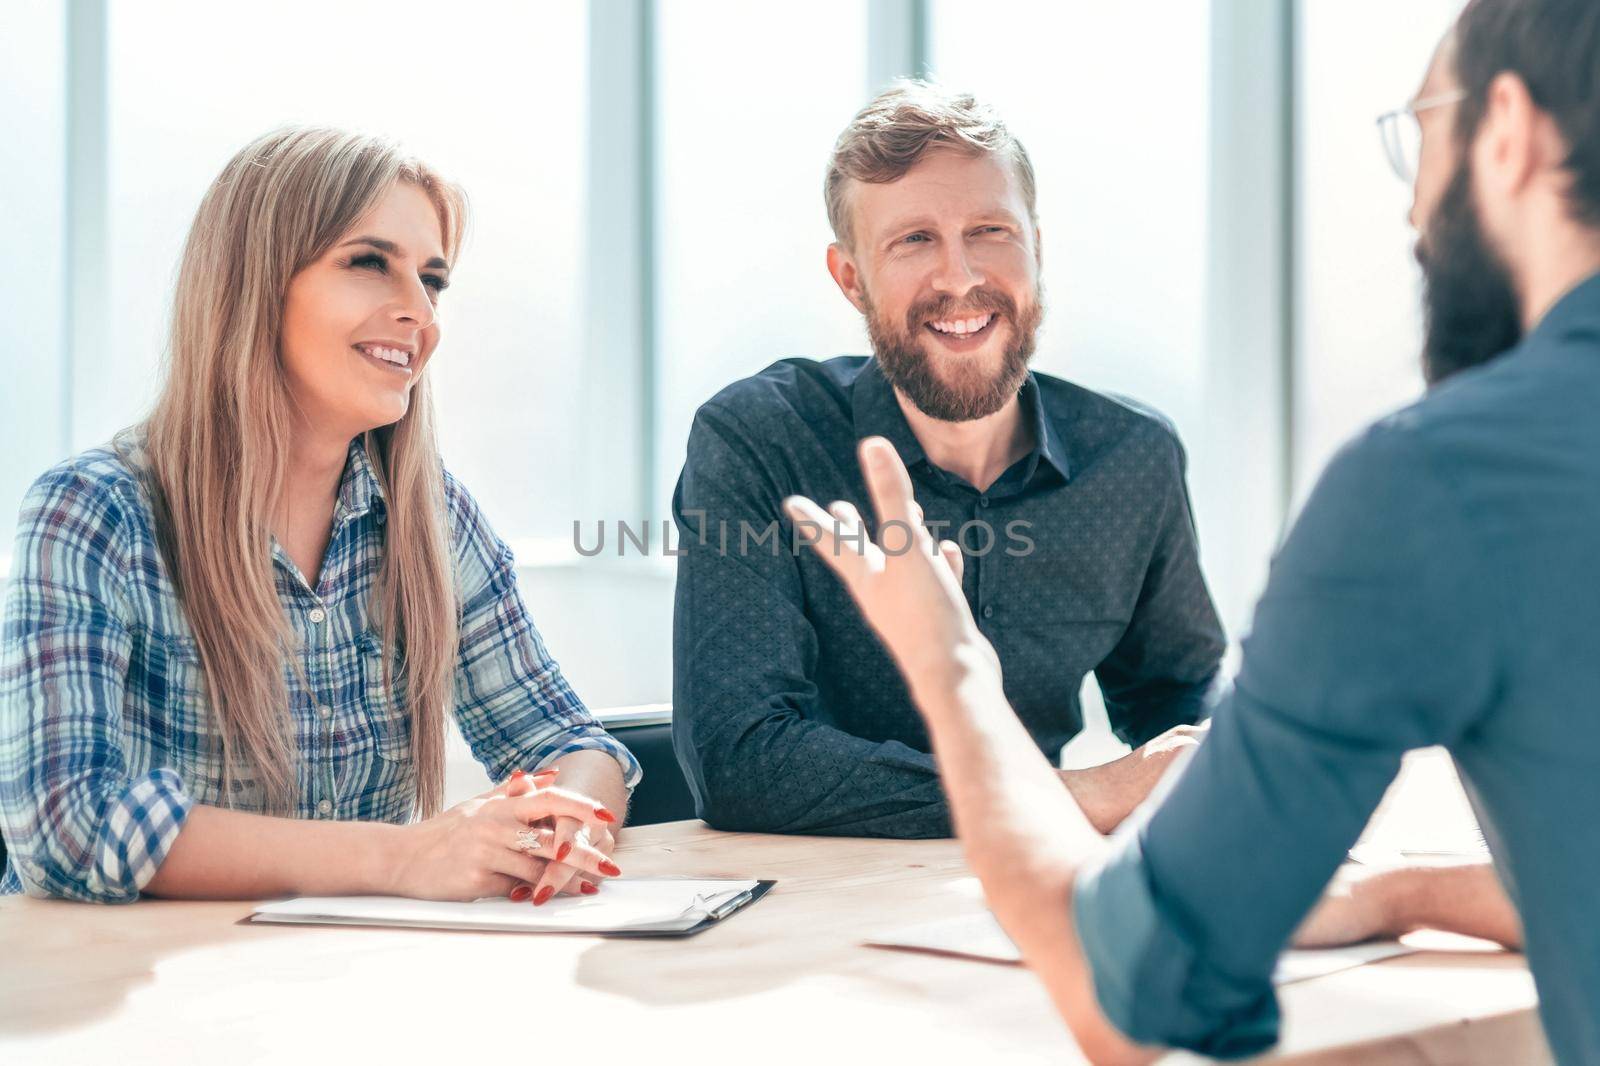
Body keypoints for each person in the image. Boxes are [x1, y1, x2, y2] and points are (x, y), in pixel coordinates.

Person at [787, 0, 1600, 1059]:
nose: (1409, 216)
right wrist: (1403, 892)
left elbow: (1122, 995)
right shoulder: (763, 432)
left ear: (1508, 131)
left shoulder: (1441, 482)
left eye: (1424, 129)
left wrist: (949, 669)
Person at [0, 128, 639, 907]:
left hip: (340, 988)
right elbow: (64, 828)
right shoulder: (94, 513)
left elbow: (570, 742)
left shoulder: (431, 515)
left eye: (432, 280)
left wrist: (567, 828)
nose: (419, 313)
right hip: (143, 1003)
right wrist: (401, 857)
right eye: (369, 263)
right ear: (254, 284)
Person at [671, 84, 1225, 838]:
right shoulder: (760, 441)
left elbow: (1179, 695)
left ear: (1038, 246)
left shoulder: (1133, 458)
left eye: (990, 230)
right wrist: (1062, 797)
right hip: (818, 904)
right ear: (851, 278)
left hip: (1047, 891)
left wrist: (1236, 759)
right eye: (914, 240)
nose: (961, 278)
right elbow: (738, 758)